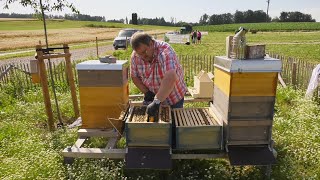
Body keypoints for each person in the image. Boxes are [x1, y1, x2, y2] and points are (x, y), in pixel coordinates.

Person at [130, 32, 187, 120]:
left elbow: (170, 77)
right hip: (152, 98)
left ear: (151, 43)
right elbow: (134, 76)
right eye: (139, 54)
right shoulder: (135, 55)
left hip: (173, 97)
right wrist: (146, 92)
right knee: (155, 130)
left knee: (175, 125)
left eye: (144, 52)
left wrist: (157, 101)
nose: (143, 56)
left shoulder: (165, 51)